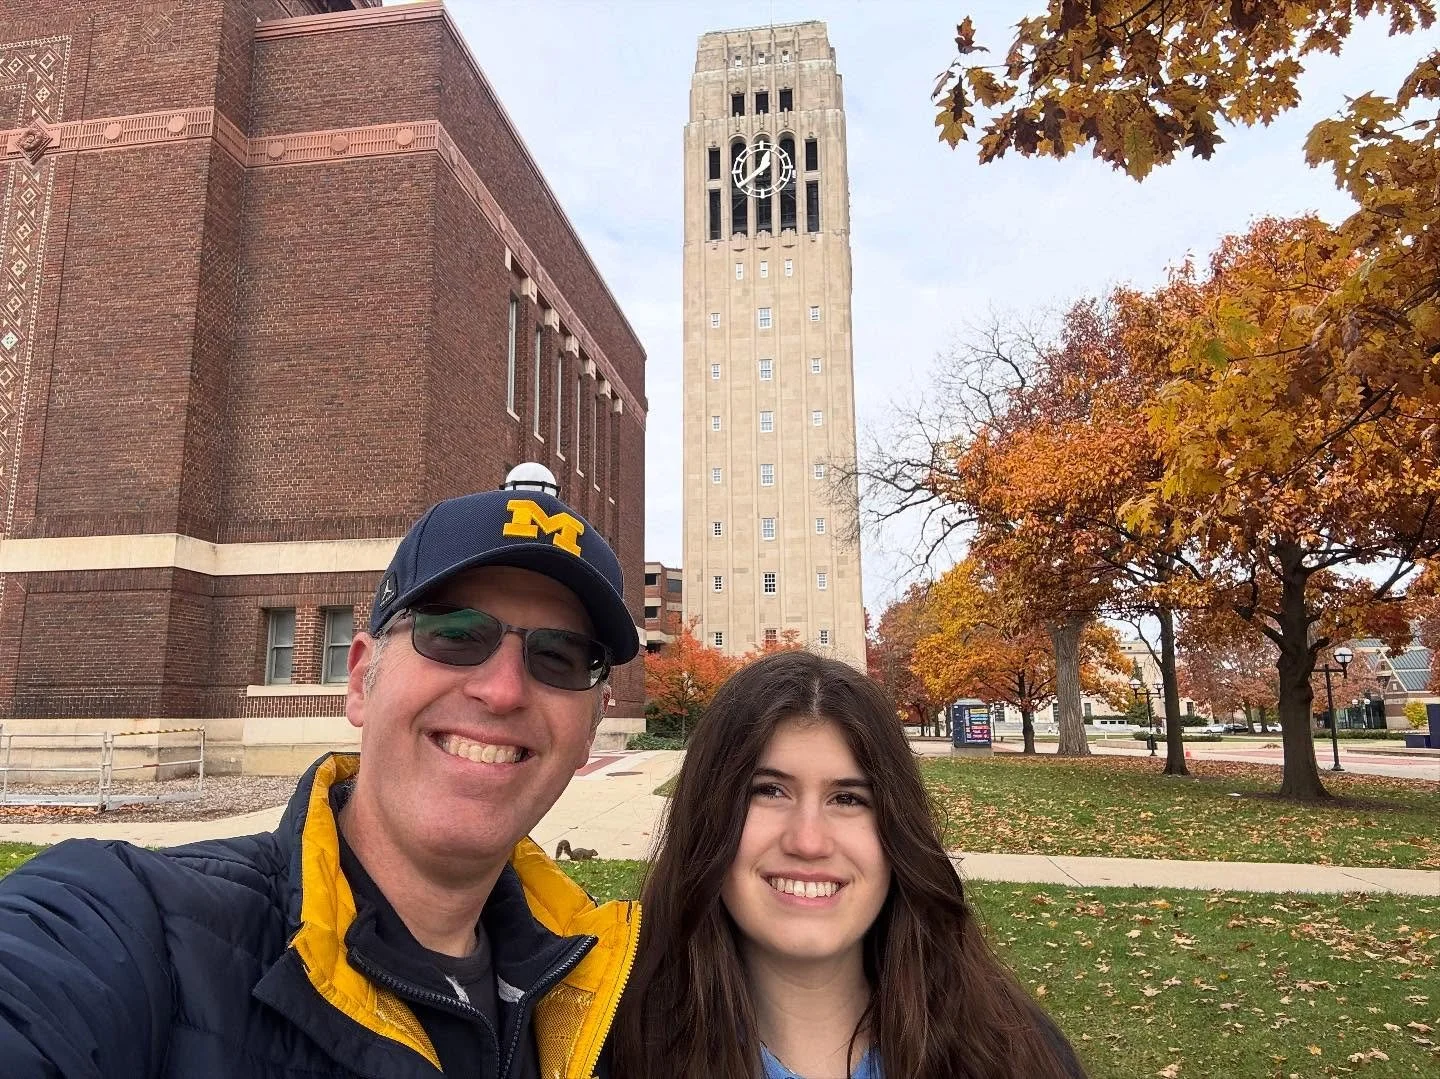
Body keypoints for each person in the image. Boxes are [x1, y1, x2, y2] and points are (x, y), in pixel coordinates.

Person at [0, 464, 641, 1079]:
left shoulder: (616, 996)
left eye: (559, 656)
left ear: (590, 729)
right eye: (454, 633)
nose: (503, 692)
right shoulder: (133, 925)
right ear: (361, 678)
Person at [612, 650, 1087, 1079]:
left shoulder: (1015, 1054)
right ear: (707, 817)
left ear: (898, 832)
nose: (808, 840)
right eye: (768, 791)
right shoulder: (608, 1053)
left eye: (848, 798)